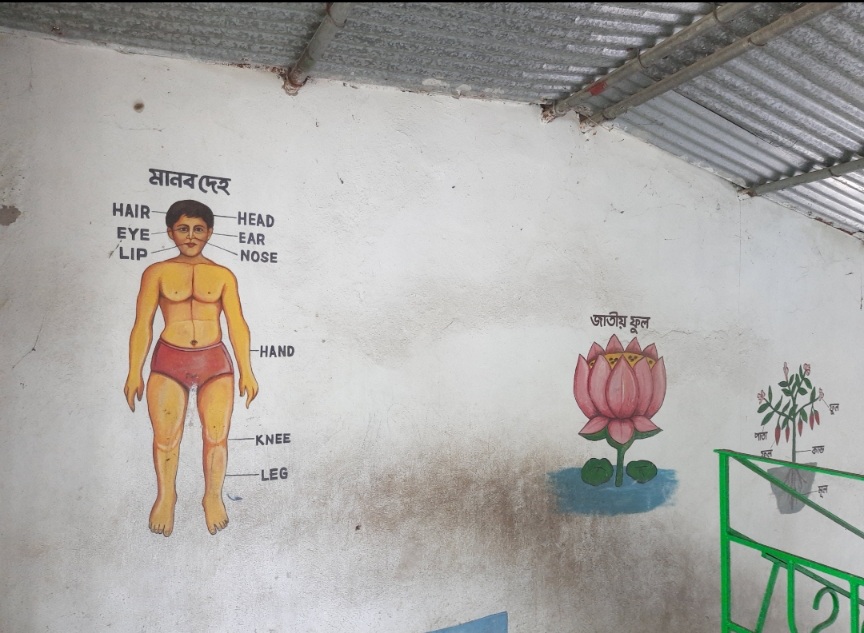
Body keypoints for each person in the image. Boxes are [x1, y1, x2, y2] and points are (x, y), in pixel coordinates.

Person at [124, 199, 258, 536]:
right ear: (170, 232)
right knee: (166, 439)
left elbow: (237, 324)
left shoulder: (223, 275)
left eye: (198, 229)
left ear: (209, 232)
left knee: (216, 437)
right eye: (183, 228)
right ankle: (166, 497)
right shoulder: (156, 272)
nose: (191, 236)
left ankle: (212, 497)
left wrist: (247, 370)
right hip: (170, 359)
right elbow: (142, 324)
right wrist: (134, 371)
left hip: (214, 361)